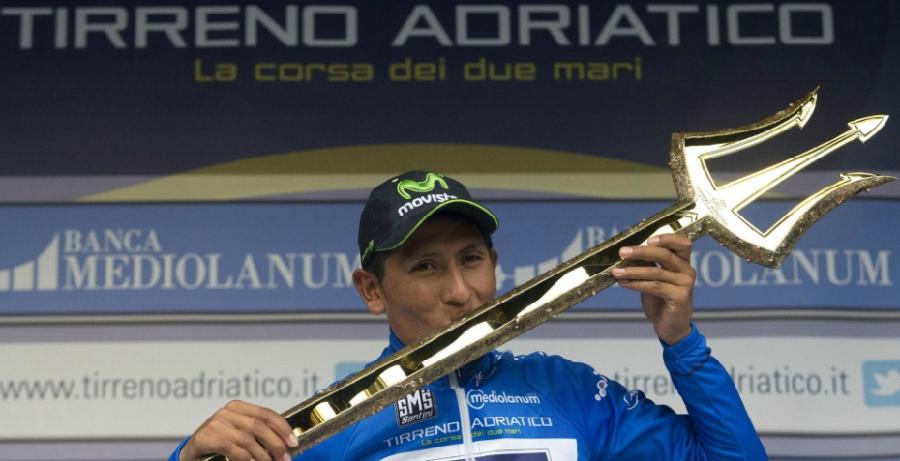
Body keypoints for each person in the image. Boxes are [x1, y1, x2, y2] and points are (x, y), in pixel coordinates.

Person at [171, 170, 767, 461]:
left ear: (495, 265)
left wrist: (681, 343)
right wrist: (190, 457)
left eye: (472, 259)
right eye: (426, 267)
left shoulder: (570, 392)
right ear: (372, 290)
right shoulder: (323, 436)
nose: (461, 291)